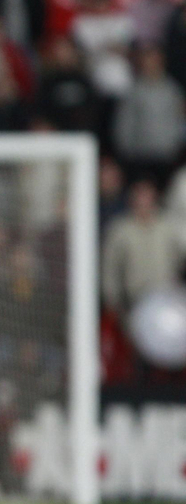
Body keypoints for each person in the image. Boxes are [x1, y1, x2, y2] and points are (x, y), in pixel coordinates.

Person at [102, 181, 179, 316]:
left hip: (167, 302)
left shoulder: (170, 226)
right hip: (134, 302)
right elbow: (110, 267)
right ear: (132, 198)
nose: (143, 200)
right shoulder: (120, 229)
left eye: (147, 195)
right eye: (140, 195)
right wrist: (112, 301)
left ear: (155, 197)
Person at [112, 46, 186, 185]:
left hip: (167, 156)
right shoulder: (133, 90)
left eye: (155, 60)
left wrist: (177, 147)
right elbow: (124, 123)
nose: (152, 63)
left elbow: (180, 120)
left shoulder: (172, 90)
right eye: (149, 59)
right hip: (139, 157)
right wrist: (126, 151)